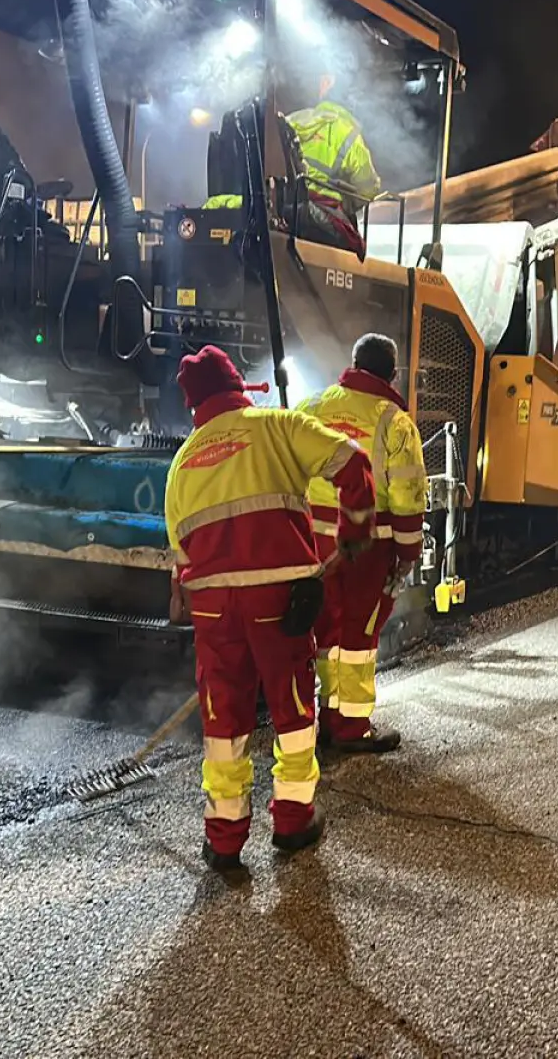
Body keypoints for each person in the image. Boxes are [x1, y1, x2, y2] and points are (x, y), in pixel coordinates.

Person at [164, 344, 374, 873]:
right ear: (238, 386)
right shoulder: (278, 426)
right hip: (280, 597)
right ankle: (293, 820)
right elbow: (353, 463)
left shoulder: (183, 461)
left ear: (194, 406)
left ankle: (225, 838)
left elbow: (181, 555)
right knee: (292, 708)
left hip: (213, 606)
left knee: (223, 720)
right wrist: (353, 534)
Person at [299, 334, 427, 754]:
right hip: (367, 547)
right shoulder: (395, 423)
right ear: (393, 373)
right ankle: (351, 727)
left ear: (353, 363)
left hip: (311, 543)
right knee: (358, 634)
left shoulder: (311, 407)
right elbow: (408, 499)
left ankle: (325, 716)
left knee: (325, 632)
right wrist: (408, 555)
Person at [203, 71, 382, 254]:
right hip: (319, 212)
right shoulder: (349, 134)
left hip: (284, 202)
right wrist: (348, 199)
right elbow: (368, 189)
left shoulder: (292, 120)